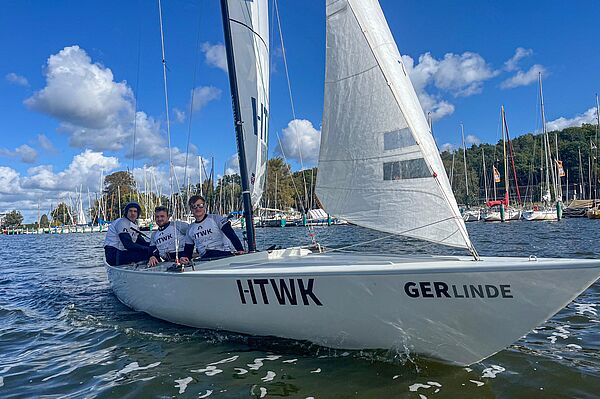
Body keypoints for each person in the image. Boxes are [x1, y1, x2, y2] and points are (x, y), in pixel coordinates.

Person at [180, 195, 245, 264]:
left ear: (205, 206)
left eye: (200, 205)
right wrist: (184, 258)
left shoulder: (216, 219)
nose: (198, 208)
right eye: (194, 206)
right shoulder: (190, 229)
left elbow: (231, 234)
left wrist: (240, 249)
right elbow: (188, 250)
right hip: (205, 259)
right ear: (191, 209)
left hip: (224, 255)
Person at [104, 202, 151, 266]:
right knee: (147, 253)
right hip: (114, 254)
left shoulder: (134, 225)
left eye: (135, 211)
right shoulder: (122, 222)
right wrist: (148, 249)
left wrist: (154, 246)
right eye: (130, 211)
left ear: (138, 213)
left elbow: (142, 242)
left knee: (150, 251)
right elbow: (128, 244)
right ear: (126, 212)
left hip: (122, 252)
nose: (132, 213)